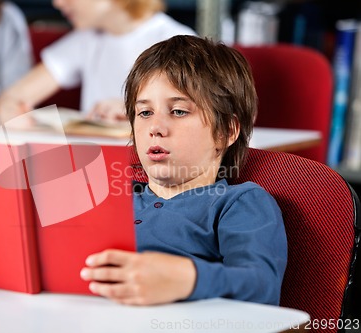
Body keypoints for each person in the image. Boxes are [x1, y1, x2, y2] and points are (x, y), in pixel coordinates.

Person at [79, 35, 288, 306]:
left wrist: (186, 279)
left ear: (226, 131)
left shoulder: (238, 202)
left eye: (178, 111)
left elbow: (262, 286)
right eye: (144, 113)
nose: (155, 127)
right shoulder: (112, 196)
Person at [0, 0, 195, 125]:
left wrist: (140, 111)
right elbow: (15, 97)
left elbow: (191, 120)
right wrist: (10, 109)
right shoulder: (86, 39)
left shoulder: (178, 43)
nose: (57, 3)